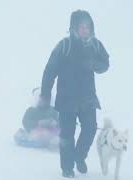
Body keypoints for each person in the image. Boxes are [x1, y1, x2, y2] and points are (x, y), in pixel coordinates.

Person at [39, 10, 110, 178]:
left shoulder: (95, 45)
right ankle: (67, 167)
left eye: (88, 27)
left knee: (91, 128)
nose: (85, 30)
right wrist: (45, 95)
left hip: (87, 98)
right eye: (82, 27)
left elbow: (105, 63)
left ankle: (78, 157)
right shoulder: (64, 45)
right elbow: (49, 71)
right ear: (74, 28)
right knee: (67, 135)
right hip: (67, 99)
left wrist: (94, 64)